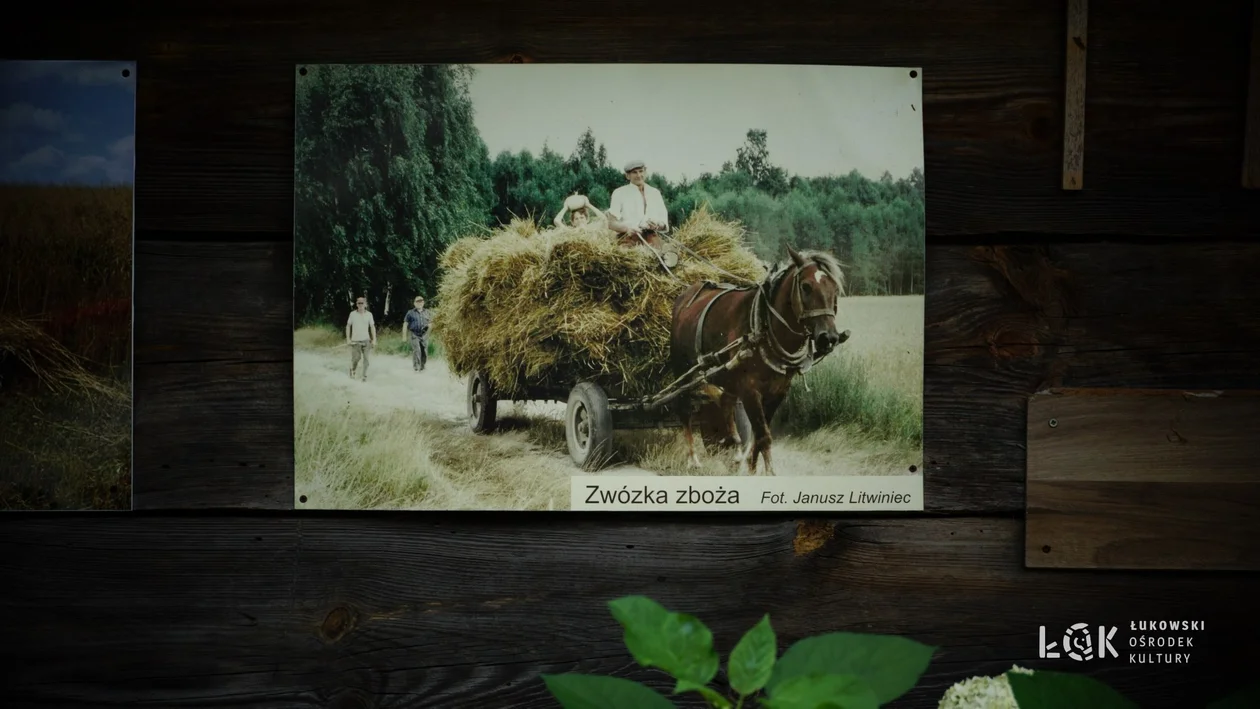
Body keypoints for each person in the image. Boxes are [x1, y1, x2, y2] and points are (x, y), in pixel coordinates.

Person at [607, 160, 670, 240]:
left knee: (665, 252)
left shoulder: (655, 193)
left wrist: (657, 224)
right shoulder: (619, 193)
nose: (639, 175)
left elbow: (663, 223)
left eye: (641, 171)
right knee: (625, 251)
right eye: (634, 172)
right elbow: (611, 223)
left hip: (652, 238)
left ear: (645, 172)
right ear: (627, 176)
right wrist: (627, 228)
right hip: (628, 237)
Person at [345, 295, 376, 382]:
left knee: (366, 359)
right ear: (356, 304)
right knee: (356, 358)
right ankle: (353, 369)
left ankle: (364, 376)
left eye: (362, 303)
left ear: (365, 304)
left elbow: (372, 327)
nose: (360, 305)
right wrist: (348, 339)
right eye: (359, 303)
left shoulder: (369, 315)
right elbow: (348, 326)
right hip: (355, 341)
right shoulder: (352, 314)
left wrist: (374, 339)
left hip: (366, 340)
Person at [402, 295, 432, 372]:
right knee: (417, 350)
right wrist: (404, 336)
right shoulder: (410, 313)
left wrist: (428, 333)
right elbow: (405, 324)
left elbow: (430, 324)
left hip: (424, 334)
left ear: (423, 303)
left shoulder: (427, 312)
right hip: (414, 334)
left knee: (424, 351)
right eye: (417, 302)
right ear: (414, 303)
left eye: (421, 301)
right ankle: (416, 367)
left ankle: (422, 366)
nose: (419, 303)